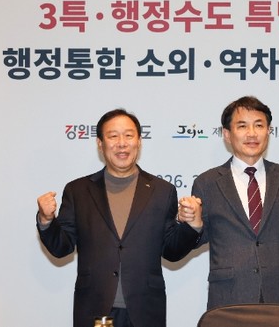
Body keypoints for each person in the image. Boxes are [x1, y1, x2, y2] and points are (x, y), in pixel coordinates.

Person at [36, 109, 202, 327]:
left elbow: (171, 252)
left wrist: (192, 226)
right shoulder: (78, 190)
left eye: (129, 135)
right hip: (95, 309)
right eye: (113, 136)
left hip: (145, 310)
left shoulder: (163, 191)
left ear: (139, 141)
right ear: (100, 143)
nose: (122, 143)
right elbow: (62, 247)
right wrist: (46, 220)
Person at [184, 96, 279, 309]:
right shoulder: (207, 182)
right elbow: (197, 240)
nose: (252, 134)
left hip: (278, 294)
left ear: (269, 131)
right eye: (242, 126)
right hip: (229, 295)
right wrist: (194, 225)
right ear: (227, 134)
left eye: (259, 125)